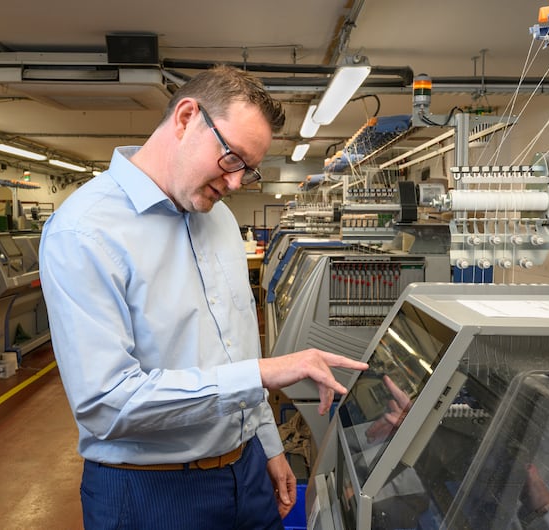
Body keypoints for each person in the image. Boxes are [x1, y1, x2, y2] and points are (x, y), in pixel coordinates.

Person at [39, 64, 368, 530]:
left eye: (248, 170)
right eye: (232, 158)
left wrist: (268, 445)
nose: (236, 184)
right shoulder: (85, 232)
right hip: (150, 493)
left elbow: (235, 348)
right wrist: (264, 373)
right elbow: (106, 405)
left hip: (247, 471)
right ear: (186, 117)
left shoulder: (220, 221)